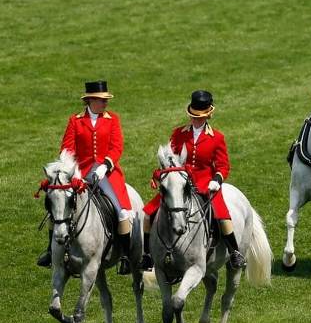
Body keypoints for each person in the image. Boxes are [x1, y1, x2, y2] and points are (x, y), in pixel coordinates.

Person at [140, 90, 245, 270]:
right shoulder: (179, 134)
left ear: (208, 116)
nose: (196, 120)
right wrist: (158, 175)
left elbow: (223, 166)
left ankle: (234, 252)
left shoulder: (217, 138)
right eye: (194, 117)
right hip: (180, 184)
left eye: (200, 117)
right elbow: (169, 160)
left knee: (221, 214)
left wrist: (217, 180)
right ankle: (147, 255)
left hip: (206, 184)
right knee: (148, 213)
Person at [37, 81, 134, 274]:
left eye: (106, 100)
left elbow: (116, 147)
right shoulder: (75, 120)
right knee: (58, 207)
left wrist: (105, 165)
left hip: (107, 173)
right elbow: (67, 147)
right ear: (90, 100)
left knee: (122, 211)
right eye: (101, 100)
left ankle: (125, 256)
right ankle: (50, 250)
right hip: (80, 171)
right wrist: (71, 168)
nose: (105, 104)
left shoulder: (113, 119)